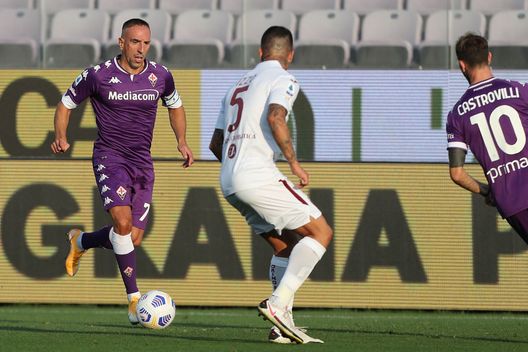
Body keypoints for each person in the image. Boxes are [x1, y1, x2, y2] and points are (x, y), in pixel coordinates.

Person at [51, 18, 194, 324]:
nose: (141, 49)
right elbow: (65, 104)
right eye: (134, 42)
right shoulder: (98, 75)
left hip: (142, 161)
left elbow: (176, 105)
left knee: (130, 238)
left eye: (145, 43)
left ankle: (82, 241)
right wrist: (61, 135)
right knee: (123, 223)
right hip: (110, 157)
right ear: (121, 42)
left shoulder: (160, 75)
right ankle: (133, 301)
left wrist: (181, 141)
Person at [209, 26, 333, 344]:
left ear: (260, 52)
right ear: (289, 55)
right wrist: (292, 162)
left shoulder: (235, 85)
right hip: (255, 174)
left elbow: (215, 144)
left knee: (287, 245)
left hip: (229, 180)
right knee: (321, 233)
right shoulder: (283, 78)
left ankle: (281, 326)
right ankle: (277, 305)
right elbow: (277, 118)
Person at [447, 33, 528, 244]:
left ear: (462, 65)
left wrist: (487, 191)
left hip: (512, 200)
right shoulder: (519, 90)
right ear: (489, 57)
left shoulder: (458, 115)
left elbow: (457, 174)